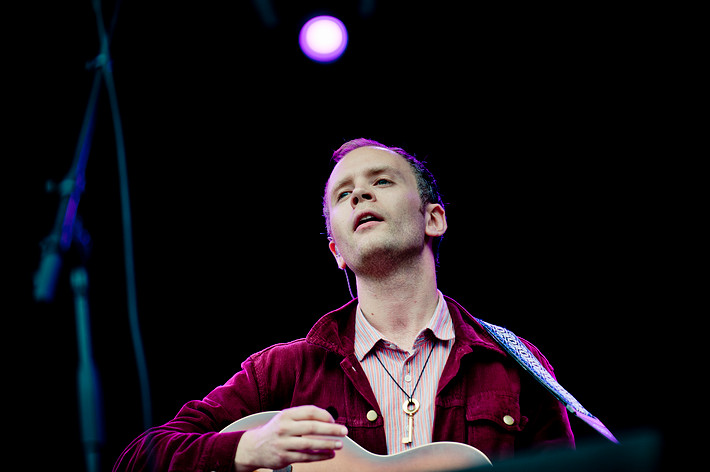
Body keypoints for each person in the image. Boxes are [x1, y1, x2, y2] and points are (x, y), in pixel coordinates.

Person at [113, 138, 575, 472]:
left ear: (433, 218)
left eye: (381, 181)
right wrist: (245, 449)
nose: (360, 194)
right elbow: (139, 458)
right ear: (336, 249)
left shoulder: (512, 361)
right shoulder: (282, 371)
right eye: (343, 193)